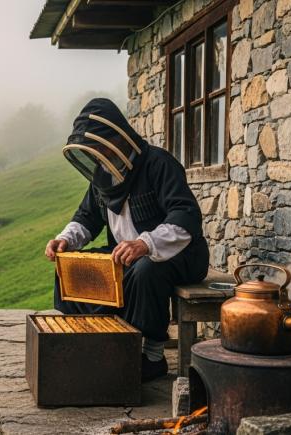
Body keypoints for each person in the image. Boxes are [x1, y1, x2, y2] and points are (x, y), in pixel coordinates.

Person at [45, 98, 209, 382]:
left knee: (146, 271)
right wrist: (65, 241)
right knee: (72, 267)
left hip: (180, 255)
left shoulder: (159, 164)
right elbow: (86, 218)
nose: (98, 155)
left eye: (100, 147)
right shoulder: (102, 174)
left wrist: (145, 244)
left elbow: (187, 217)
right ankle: (93, 339)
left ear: (117, 137)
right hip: (127, 254)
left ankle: (153, 357)